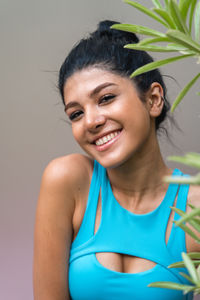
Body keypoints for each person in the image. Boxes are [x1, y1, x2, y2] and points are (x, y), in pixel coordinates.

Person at [33, 20, 200, 300]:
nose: (91, 121)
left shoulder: (194, 209)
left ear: (153, 100)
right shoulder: (69, 181)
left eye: (106, 98)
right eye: (76, 114)